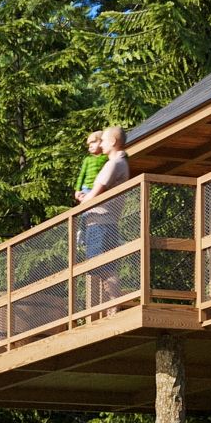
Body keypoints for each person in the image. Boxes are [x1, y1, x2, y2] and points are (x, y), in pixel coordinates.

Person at [74, 124, 132, 308]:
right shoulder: (122, 163)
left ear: (113, 142)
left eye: (104, 140)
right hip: (105, 222)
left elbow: (96, 192)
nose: (101, 144)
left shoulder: (114, 163)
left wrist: (84, 201)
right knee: (102, 267)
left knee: (103, 267)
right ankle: (111, 305)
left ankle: (114, 304)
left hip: (101, 222)